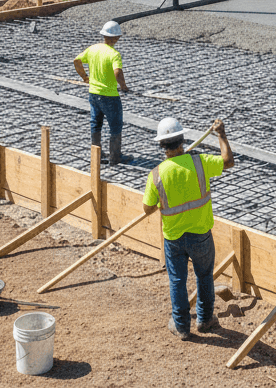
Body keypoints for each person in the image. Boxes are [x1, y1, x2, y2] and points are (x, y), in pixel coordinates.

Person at [143, 116, 234, 340]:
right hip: (201, 233)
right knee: (204, 276)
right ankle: (204, 320)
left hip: (173, 238)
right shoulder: (199, 162)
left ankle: (182, 326)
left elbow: (147, 209)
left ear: (162, 145)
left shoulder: (156, 174)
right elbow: (228, 161)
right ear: (182, 140)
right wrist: (221, 135)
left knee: (177, 280)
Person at [74, 21, 130, 165]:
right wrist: (123, 86)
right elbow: (117, 72)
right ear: (116, 37)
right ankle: (115, 157)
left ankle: (96, 154)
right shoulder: (114, 54)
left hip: (93, 94)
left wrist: (85, 77)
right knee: (115, 126)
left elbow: (77, 61)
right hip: (110, 96)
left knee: (96, 123)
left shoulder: (93, 48)